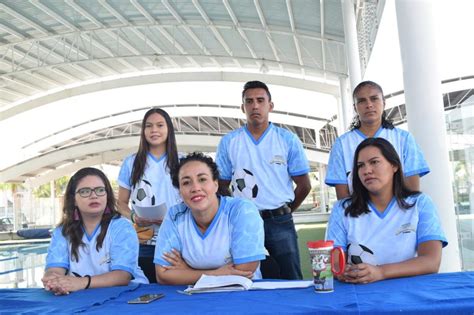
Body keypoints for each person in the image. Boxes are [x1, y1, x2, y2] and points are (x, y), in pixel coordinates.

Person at [216, 80, 311, 280]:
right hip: (244, 222)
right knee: (243, 277)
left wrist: (285, 211)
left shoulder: (287, 139)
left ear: (270, 105)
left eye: (260, 100)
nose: (255, 106)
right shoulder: (229, 142)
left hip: (280, 221)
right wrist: (240, 209)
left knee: (291, 277)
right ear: (243, 107)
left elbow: (304, 185)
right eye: (249, 101)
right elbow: (222, 184)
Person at [326, 138, 447, 284]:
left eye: (374, 162)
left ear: (394, 165)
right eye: (360, 166)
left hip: (409, 293)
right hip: (361, 293)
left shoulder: (420, 203)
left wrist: (381, 272)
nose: (367, 170)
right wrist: (344, 272)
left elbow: (431, 262)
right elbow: (335, 264)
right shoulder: (342, 209)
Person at [154, 152, 265, 285]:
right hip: (193, 297)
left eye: (202, 179)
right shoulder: (174, 215)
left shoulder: (242, 210)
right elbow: (163, 275)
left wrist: (187, 271)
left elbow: (244, 271)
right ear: (179, 191)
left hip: (241, 294)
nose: (195, 188)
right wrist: (215, 274)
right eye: (186, 182)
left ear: (216, 184)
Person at [42, 167, 148, 295]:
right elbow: (55, 269)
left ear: (107, 196)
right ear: (73, 199)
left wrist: (81, 283)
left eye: (100, 190)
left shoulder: (122, 228)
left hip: (129, 294)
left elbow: (122, 276)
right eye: (85, 191)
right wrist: (54, 280)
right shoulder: (63, 231)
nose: (94, 196)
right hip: (82, 296)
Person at [325, 81, 430, 200]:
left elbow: (412, 192)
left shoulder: (404, 139)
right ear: (355, 107)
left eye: (374, 99)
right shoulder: (341, 144)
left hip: (399, 214)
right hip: (358, 215)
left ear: (384, 103)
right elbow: (343, 197)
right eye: (362, 101)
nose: (369, 105)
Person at [117, 108, 181, 283]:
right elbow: (120, 203)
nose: (154, 130)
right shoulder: (131, 162)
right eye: (149, 126)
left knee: (173, 291)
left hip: (175, 240)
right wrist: (134, 217)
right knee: (144, 291)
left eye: (160, 125)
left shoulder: (182, 162)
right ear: (143, 131)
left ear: (169, 129)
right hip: (143, 241)